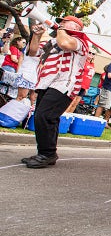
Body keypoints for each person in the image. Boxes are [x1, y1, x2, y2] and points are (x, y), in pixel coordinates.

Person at [21, 16, 88, 168]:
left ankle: (47, 153)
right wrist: (37, 36)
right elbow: (33, 52)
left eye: (66, 22)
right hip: (46, 84)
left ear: (77, 27)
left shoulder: (79, 41)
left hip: (65, 84)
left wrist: (61, 29)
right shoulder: (52, 41)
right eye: (61, 22)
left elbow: (65, 43)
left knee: (44, 116)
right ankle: (45, 153)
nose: (62, 23)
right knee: (47, 118)